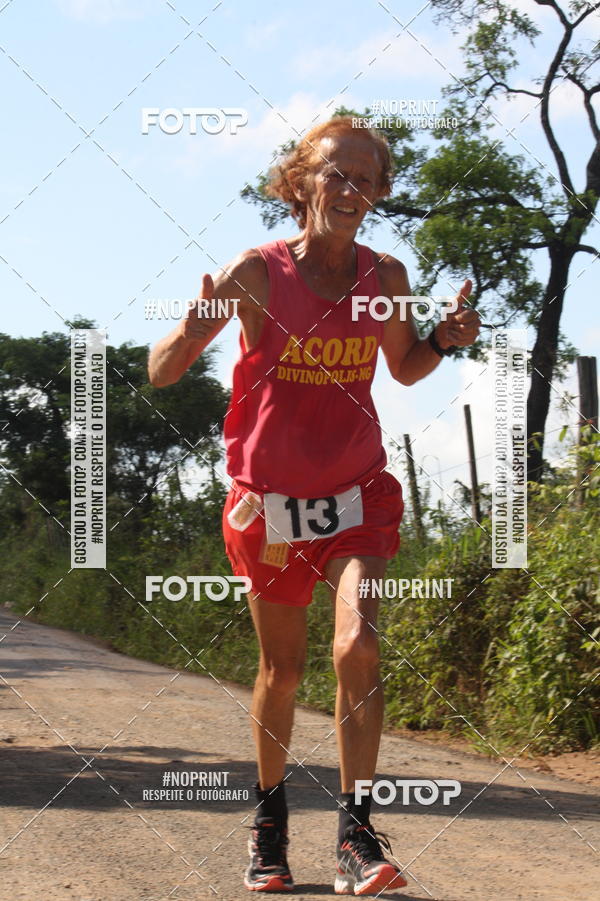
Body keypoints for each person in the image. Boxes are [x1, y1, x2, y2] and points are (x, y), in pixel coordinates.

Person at [148, 115, 481, 895]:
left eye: (367, 178)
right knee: (283, 668)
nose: (352, 189)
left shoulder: (385, 277)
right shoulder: (259, 273)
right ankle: (269, 826)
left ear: (379, 193)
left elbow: (404, 369)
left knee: (357, 642)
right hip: (267, 505)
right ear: (301, 182)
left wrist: (444, 337)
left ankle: (357, 839)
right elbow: (163, 371)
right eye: (337, 173)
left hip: (357, 492)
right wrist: (194, 330)